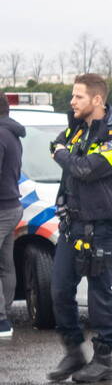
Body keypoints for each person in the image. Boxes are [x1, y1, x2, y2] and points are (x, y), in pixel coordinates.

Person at [47, 74, 112, 382]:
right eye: (73, 96)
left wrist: (62, 154)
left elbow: (84, 169)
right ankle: (73, 353)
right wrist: (63, 152)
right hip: (73, 225)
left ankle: (103, 360)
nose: (72, 102)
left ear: (97, 100)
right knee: (59, 289)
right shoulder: (77, 129)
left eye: (78, 97)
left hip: (103, 227)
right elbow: (56, 144)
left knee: (100, 294)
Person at [0, 93, 27, 338]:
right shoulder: (12, 133)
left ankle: (1, 320)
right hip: (11, 206)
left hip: (2, 209)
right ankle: (4, 317)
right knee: (5, 264)